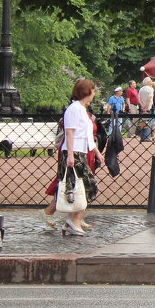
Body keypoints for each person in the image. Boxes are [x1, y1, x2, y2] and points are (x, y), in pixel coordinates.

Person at [55, 79, 106, 236]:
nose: (94, 93)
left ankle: (72, 221)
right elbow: (70, 132)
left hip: (80, 151)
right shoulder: (74, 109)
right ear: (87, 92)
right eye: (93, 90)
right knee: (85, 186)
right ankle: (73, 221)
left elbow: (87, 136)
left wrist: (96, 152)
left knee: (81, 187)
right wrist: (70, 155)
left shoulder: (82, 109)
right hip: (74, 152)